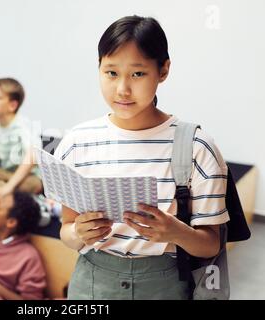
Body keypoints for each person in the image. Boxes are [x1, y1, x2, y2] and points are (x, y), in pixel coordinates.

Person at [56, 15, 230, 300]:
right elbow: (66, 230)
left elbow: (212, 244)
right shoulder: (76, 142)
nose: (122, 89)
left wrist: (175, 232)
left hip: (166, 285)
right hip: (91, 284)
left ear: (163, 70)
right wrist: (80, 233)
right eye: (111, 73)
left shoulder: (197, 147)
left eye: (137, 74)